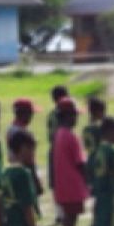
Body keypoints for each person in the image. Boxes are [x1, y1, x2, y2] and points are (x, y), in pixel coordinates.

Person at [52, 98, 92, 226]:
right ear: (68, 116)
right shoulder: (70, 136)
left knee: (69, 218)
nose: (76, 119)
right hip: (72, 184)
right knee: (71, 218)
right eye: (74, 115)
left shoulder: (59, 134)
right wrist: (89, 180)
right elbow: (80, 163)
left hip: (63, 183)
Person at [46, 84, 69, 217]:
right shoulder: (62, 115)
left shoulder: (51, 115)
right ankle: (62, 210)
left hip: (54, 149)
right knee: (61, 180)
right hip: (60, 150)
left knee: (55, 181)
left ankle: (59, 212)